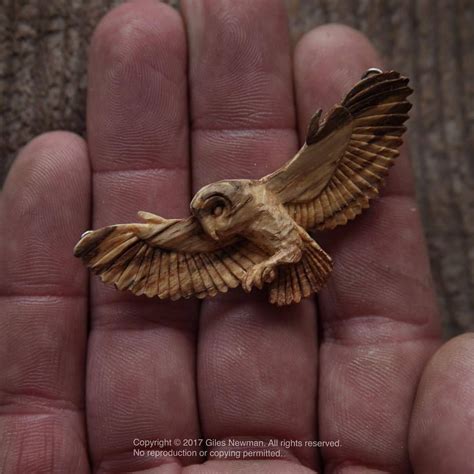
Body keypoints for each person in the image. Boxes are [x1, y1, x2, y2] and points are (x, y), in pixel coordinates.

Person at [1, 1, 472, 472]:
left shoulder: (280, 188)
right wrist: (139, 244)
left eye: (215, 213)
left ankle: (273, 260)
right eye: (206, 220)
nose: (212, 229)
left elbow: (348, 144)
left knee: (326, 138)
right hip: (280, 267)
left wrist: (359, 117)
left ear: (229, 199)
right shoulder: (211, 231)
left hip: (300, 254)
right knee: (157, 236)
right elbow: (174, 246)